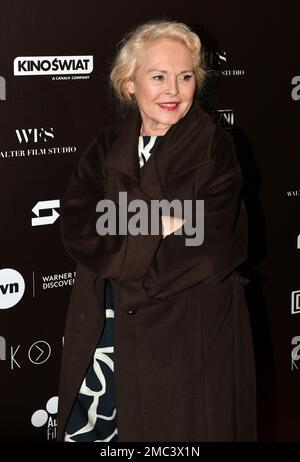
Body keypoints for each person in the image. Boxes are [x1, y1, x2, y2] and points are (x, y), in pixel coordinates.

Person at [57, 19, 257, 442]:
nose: (173, 90)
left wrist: (123, 233)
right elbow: (79, 224)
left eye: (185, 77)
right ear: (130, 83)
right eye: (159, 77)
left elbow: (212, 245)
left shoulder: (216, 147)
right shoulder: (106, 144)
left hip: (186, 336)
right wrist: (160, 224)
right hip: (104, 328)